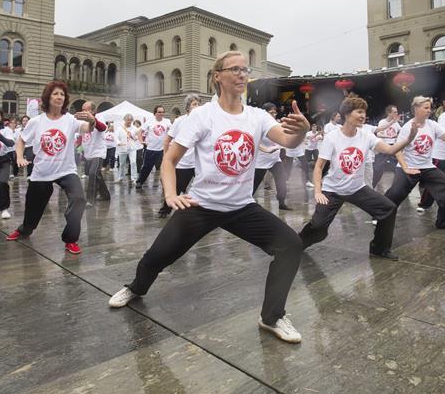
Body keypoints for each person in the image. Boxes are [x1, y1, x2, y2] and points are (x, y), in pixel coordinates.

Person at [108, 51, 309, 344]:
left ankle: (272, 316)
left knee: (291, 245)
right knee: (157, 256)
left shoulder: (258, 116)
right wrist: (171, 194)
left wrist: (301, 133)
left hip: (242, 207)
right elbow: (169, 160)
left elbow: (288, 140)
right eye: (235, 69)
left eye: (245, 69)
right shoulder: (202, 116)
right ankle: (136, 288)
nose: (242, 74)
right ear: (218, 76)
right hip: (202, 205)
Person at [299, 94, 418, 259]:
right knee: (318, 228)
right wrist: (318, 192)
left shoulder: (366, 135)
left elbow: (390, 150)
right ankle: (297, 244)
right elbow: (319, 167)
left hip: (356, 188)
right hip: (332, 190)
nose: (363, 115)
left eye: (364, 112)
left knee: (388, 209)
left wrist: (410, 138)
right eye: (359, 112)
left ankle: (379, 249)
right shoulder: (332, 138)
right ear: (347, 115)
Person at [7, 81, 97, 254]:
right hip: (42, 172)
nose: (59, 97)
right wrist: (19, 156)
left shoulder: (70, 120)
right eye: (55, 93)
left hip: (66, 170)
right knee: (33, 208)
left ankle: (70, 239)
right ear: (48, 97)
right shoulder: (36, 121)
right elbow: (21, 140)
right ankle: (25, 230)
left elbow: (87, 128)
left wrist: (92, 121)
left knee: (79, 199)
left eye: (62, 94)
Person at [385, 96, 445, 232]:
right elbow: (398, 151)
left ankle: (444, 222)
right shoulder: (408, 127)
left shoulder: (432, 124)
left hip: (427, 167)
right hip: (408, 166)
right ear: (416, 109)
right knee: (396, 193)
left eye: (429, 108)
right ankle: (381, 214)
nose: (429, 111)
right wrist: (406, 168)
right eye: (425, 108)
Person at [157, 94, 201, 218]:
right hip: (183, 164)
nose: (197, 106)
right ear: (188, 107)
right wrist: (166, 161)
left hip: (198, 164)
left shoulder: (202, 121)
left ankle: (207, 213)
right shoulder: (180, 121)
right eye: (194, 104)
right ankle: (164, 211)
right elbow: (166, 141)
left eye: (198, 104)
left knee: (204, 189)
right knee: (176, 190)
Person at [252, 102, 291, 211]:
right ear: (265, 113)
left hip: (275, 159)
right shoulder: (259, 125)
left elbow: (283, 137)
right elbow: (256, 142)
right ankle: (244, 203)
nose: (274, 114)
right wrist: (266, 150)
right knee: (254, 184)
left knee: (281, 180)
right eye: (271, 112)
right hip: (261, 160)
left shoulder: (276, 124)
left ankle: (282, 203)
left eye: (275, 112)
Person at [81, 100, 111, 205]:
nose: (83, 112)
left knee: (93, 174)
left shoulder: (100, 117)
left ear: (93, 111)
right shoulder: (82, 121)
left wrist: (93, 120)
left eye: (86, 110)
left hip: (98, 152)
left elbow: (102, 128)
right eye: (82, 110)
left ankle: (90, 200)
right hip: (88, 152)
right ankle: (105, 195)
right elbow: (79, 135)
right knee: (96, 174)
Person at [135, 107, 171, 188]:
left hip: (163, 149)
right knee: (147, 167)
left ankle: (165, 184)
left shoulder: (167, 121)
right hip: (151, 149)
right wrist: (141, 141)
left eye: (162, 112)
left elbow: (173, 131)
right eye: (159, 112)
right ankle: (139, 181)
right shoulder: (150, 121)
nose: (161, 114)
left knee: (164, 168)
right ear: (155, 113)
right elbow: (139, 131)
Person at [371, 105, 402, 189]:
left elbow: (401, 131)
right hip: (384, 146)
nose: (396, 113)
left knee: (400, 167)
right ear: (389, 113)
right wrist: (386, 136)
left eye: (396, 112)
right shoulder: (382, 122)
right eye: (394, 112)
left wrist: (398, 136)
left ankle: (398, 187)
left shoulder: (396, 123)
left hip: (394, 146)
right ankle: (371, 186)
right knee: (378, 168)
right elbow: (378, 133)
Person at [115, 114, 139, 184]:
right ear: (124, 120)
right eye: (128, 120)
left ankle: (134, 178)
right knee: (122, 164)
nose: (129, 121)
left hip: (132, 148)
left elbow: (137, 137)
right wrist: (118, 142)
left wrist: (133, 136)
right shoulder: (120, 128)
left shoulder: (134, 128)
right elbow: (116, 137)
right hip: (122, 148)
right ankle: (120, 177)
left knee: (133, 162)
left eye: (130, 120)